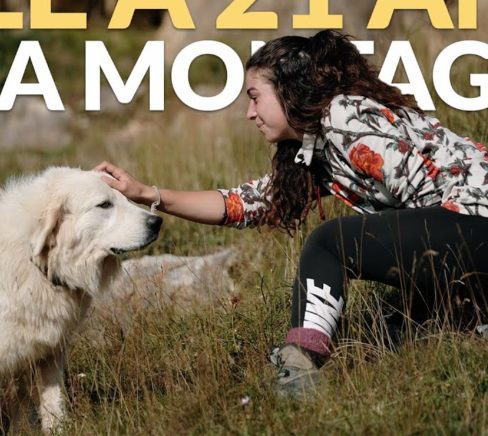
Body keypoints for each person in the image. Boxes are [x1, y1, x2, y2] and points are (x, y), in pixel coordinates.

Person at [96, 30, 488, 398]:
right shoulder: (313, 150)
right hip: (461, 234)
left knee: (330, 242)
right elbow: (244, 204)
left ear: (288, 91)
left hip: (474, 219)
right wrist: (148, 194)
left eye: (255, 96)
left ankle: (299, 365)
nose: (250, 113)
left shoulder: (344, 115)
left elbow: (423, 200)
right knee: (387, 327)